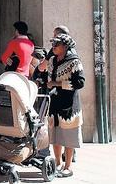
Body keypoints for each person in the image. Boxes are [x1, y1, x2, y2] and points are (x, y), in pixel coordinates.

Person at [33, 34, 84, 178]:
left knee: (68, 136)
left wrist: (57, 84)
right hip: (54, 103)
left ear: (65, 46)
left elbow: (80, 83)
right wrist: (39, 82)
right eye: (53, 44)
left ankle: (68, 166)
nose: (53, 47)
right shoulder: (52, 60)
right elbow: (46, 78)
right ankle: (57, 163)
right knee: (55, 135)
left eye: (57, 44)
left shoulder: (74, 61)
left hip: (69, 105)